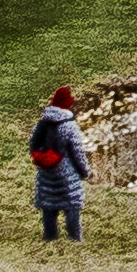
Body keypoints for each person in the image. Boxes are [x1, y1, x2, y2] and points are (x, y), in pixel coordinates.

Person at [30, 84, 93, 243]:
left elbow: (33, 144)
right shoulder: (69, 126)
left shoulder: (42, 123)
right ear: (67, 104)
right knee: (71, 205)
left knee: (49, 204)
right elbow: (77, 153)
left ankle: (50, 237)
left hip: (46, 172)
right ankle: (74, 238)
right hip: (67, 175)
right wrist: (85, 171)